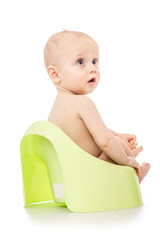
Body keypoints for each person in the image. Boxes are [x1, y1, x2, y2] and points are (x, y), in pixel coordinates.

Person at [44, 30, 150, 183]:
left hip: (68, 173)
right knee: (114, 144)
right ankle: (135, 173)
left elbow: (90, 130)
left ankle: (128, 157)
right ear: (55, 74)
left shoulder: (57, 108)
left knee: (116, 141)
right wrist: (126, 160)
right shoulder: (83, 103)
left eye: (95, 61)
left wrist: (119, 135)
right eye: (80, 62)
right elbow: (105, 140)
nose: (92, 68)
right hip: (90, 173)